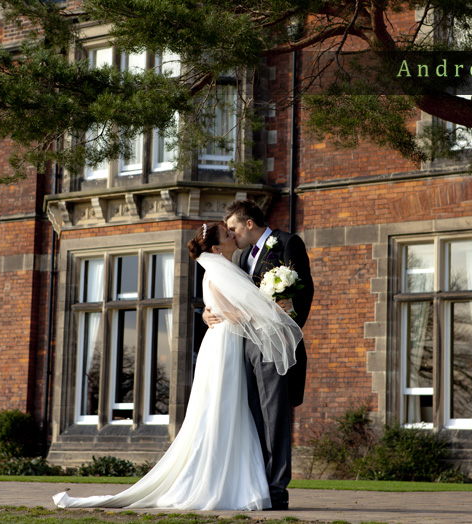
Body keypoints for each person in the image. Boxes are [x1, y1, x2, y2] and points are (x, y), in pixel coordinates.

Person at [53, 222, 302, 511]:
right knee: (221, 412)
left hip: (230, 345)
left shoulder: (230, 265)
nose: (233, 235)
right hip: (225, 348)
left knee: (232, 413)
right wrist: (272, 308)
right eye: (227, 233)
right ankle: (220, 483)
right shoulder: (219, 269)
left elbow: (225, 307)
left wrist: (214, 312)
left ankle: (238, 481)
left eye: (232, 229)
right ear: (217, 248)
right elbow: (237, 312)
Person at [204, 200, 314, 511]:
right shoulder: (240, 259)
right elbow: (223, 295)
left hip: (273, 343)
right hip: (244, 346)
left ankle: (277, 492)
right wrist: (206, 314)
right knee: (253, 417)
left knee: (275, 418)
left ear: (249, 223)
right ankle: (256, 486)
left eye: (234, 228)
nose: (232, 234)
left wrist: (288, 320)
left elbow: (304, 290)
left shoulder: (288, 243)